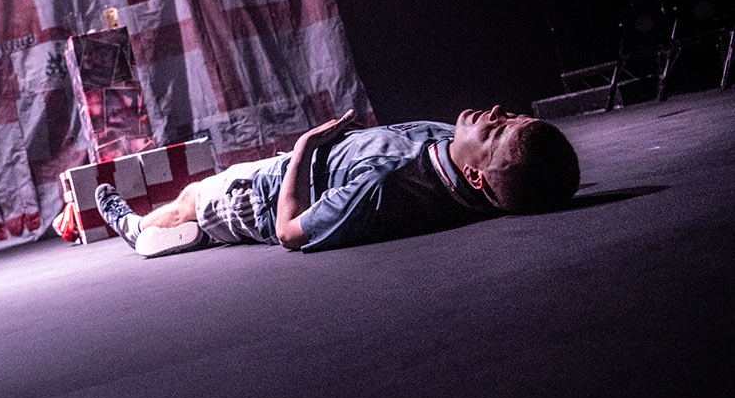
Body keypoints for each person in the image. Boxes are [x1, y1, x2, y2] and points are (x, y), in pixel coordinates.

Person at [95, 105, 581, 258]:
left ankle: (139, 232)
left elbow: (289, 232)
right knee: (200, 215)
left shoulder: (386, 187)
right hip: (291, 172)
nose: (491, 113)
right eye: (509, 116)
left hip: (262, 195)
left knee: (191, 196)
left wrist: (304, 148)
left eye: (495, 130)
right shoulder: (455, 150)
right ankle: (201, 233)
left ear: (475, 176)